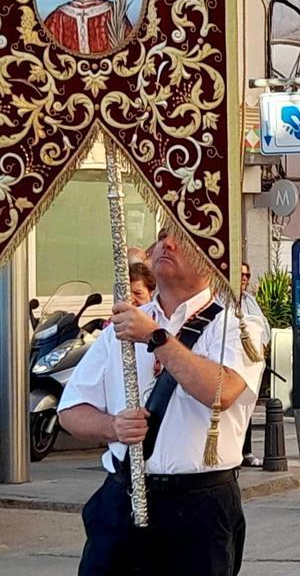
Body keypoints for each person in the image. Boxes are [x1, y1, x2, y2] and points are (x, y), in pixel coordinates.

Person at [59, 228, 266, 575]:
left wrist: (155, 338)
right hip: (122, 497)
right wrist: (112, 426)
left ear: (213, 255)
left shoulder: (238, 325)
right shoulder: (120, 328)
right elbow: (70, 410)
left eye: (183, 238)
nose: (167, 245)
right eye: (163, 236)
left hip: (199, 507)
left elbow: (223, 392)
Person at [238, 262, 269, 469]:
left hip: (252, 360)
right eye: (241, 274)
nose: (244, 279)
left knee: (247, 406)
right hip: (234, 359)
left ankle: (246, 451)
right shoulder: (221, 299)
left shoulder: (250, 300)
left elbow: (263, 326)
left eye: (247, 275)